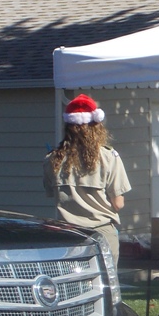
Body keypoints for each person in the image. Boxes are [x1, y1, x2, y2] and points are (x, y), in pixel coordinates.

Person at [44, 94, 131, 260]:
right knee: (104, 276)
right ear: (96, 126)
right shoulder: (109, 156)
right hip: (101, 233)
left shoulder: (52, 159)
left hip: (68, 234)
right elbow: (118, 204)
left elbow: (51, 194)